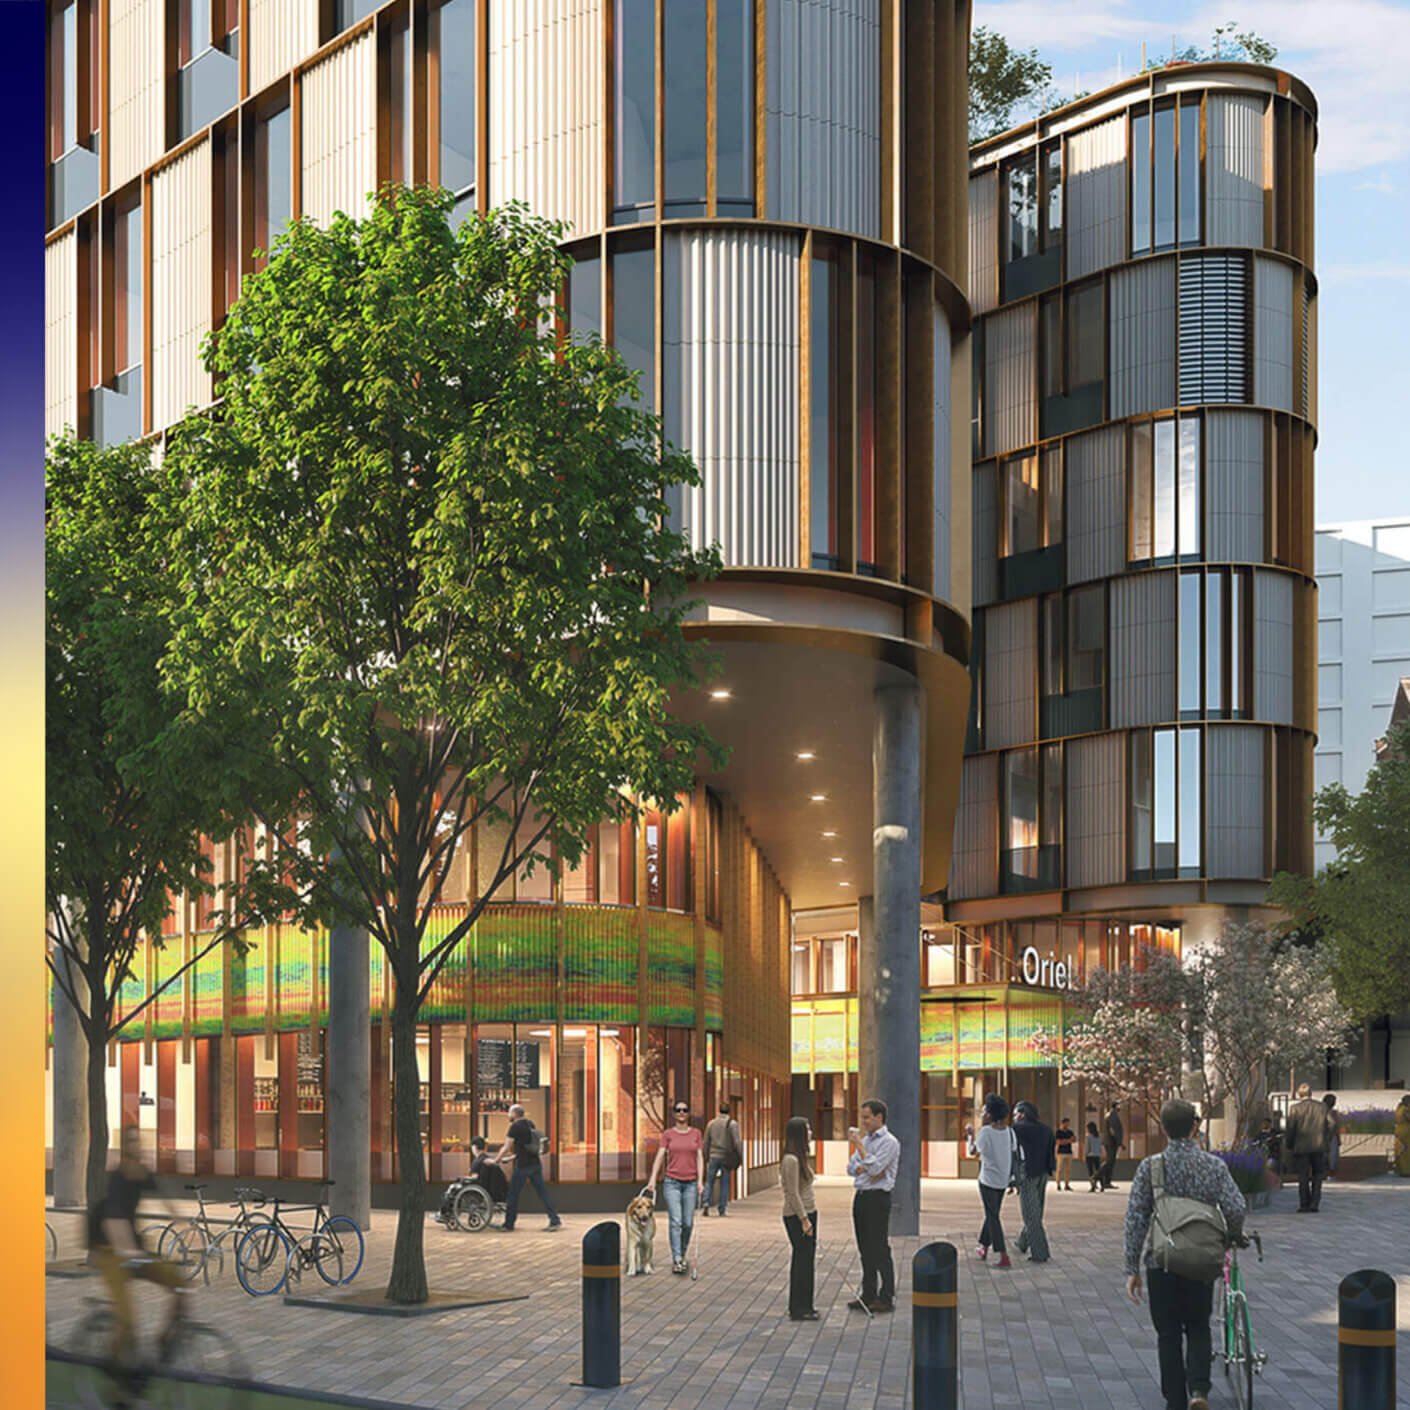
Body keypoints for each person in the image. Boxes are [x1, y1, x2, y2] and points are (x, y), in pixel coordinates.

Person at [1125, 1099, 1247, 1410]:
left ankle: (1175, 1401)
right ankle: (1199, 1391)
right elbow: (1235, 1206)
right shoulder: (1214, 1165)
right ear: (1195, 1126)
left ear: (1163, 1128)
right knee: (1198, 1325)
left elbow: (1136, 1218)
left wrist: (1132, 1267)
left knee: (1167, 1333)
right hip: (1202, 1260)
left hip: (1162, 1261)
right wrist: (1232, 1235)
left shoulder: (1150, 1167)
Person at [88, 1124, 185, 1372]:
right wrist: (127, 1251)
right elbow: (114, 1220)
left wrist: (185, 1224)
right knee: (128, 1319)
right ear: (125, 1148)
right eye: (131, 1142)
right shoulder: (118, 1178)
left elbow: (165, 1198)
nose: (137, 1147)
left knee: (181, 1285)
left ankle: (164, 1340)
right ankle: (111, 1365)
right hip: (111, 1251)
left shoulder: (142, 1173)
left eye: (138, 1141)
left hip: (135, 1250)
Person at [846, 1097, 900, 1312]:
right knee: (864, 1247)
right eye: (863, 1118)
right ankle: (868, 1293)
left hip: (878, 1198)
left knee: (879, 1247)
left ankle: (886, 1295)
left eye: (867, 1118)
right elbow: (852, 1168)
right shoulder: (867, 1141)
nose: (864, 1122)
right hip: (861, 1196)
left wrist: (861, 1149)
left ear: (879, 1117)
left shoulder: (889, 1142)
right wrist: (865, 1164)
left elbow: (877, 1171)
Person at [647, 1099, 704, 1274]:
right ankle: (677, 1258)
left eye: (684, 1110)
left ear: (688, 1114)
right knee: (676, 1221)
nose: (681, 1113)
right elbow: (659, 1156)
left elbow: (700, 1158)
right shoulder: (668, 1134)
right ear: (673, 1114)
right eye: (678, 1110)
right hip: (672, 1182)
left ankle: (683, 1252)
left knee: (687, 1223)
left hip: (691, 1183)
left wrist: (701, 1181)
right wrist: (652, 1179)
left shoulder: (696, 1134)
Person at [495, 1102, 563, 1232]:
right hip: (535, 1164)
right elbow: (526, 1147)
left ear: (514, 1114)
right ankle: (555, 1219)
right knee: (543, 1193)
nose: (508, 1115)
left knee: (512, 1195)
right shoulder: (530, 1124)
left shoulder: (514, 1127)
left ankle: (508, 1224)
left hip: (523, 1166)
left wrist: (496, 1160)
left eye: (509, 1112)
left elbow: (507, 1146)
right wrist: (510, 1158)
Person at [965, 1094, 1014, 1269]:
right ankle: (983, 1247)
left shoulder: (986, 1132)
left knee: (993, 1216)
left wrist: (970, 1135)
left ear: (990, 1114)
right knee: (992, 1213)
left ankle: (1003, 1255)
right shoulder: (1010, 1131)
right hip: (1003, 1180)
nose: (982, 1113)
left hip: (987, 1180)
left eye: (984, 1110)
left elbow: (972, 1152)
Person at [779, 1116, 818, 1321]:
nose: (811, 1132)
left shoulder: (800, 1157)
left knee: (807, 1260)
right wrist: (804, 1219)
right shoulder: (791, 1160)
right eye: (807, 1129)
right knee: (802, 1261)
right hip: (797, 1215)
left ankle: (806, 1304)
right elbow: (792, 1194)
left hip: (809, 1212)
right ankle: (799, 1307)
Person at [1012, 1101, 1056, 1263]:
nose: (1015, 1117)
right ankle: (1022, 1242)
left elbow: (1013, 1153)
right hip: (1043, 1173)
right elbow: (1051, 1152)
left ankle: (1040, 1252)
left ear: (1022, 1114)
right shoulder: (1046, 1130)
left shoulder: (1017, 1129)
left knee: (1031, 1215)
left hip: (1027, 1174)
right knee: (1036, 1211)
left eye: (1016, 1114)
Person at [1285, 1082, 1334, 1213]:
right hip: (1319, 1146)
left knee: (1303, 1176)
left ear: (1299, 1094)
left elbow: (1291, 1128)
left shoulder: (1295, 1108)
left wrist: (1289, 1144)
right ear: (1311, 1094)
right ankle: (1314, 1203)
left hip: (1301, 1147)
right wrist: (1326, 1138)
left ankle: (1304, 1204)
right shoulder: (1322, 1107)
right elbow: (1332, 1123)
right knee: (1318, 1175)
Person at [701, 1102, 741, 1217]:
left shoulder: (711, 1123)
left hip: (713, 1156)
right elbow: (737, 1141)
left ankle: (706, 1202)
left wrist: (705, 1155)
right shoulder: (732, 1124)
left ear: (719, 1110)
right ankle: (721, 1208)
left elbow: (706, 1141)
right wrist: (739, 1155)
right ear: (729, 1111)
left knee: (709, 1181)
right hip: (726, 1157)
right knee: (725, 1183)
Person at [471, 1136, 509, 1205]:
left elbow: (474, 1178)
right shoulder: (486, 1160)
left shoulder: (477, 1162)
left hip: (481, 1188)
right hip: (494, 1190)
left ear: (474, 1147)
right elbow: (496, 1161)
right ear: (485, 1147)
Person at [1100, 1101, 1125, 1190]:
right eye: (1119, 1105)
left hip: (1109, 1141)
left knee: (1111, 1162)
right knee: (1110, 1161)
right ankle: (1097, 1175)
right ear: (1116, 1106)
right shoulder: (1112, 1115)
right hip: (1111, 1142)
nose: (1120, 1107)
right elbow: (1113, 1130)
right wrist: (1119, 1142)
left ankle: (1107, 1181)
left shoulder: (1109, 1114)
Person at [1055, 1116, 1076, 1191]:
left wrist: (1066, 1141)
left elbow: (1074, 1140)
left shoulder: (1070, 1132)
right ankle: (1058, 1184)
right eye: (1066, 1123)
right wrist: (1068, 1141)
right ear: (1063, 1123)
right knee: (1059, 1169)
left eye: (1068, 1123)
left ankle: (1067, 1184)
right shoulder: (1058, 1132)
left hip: (1069, 1152)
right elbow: (1058, 1142)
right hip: (1061, 1152)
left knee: (1068, 1170)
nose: (1067, 1125)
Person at [1323, 1093, 1341, 1180]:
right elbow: (1335, 1125)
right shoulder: (1331, 1113)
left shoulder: (1321, 1110)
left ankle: (1328, 1173)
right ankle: (1330, 1174)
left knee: (1327, 1156)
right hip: (1330, 1137)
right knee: (1332, 1157)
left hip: (1323, 1136)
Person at [1085, 1121, 1104, 1191]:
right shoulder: (1099, 1136)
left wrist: (1085, 1155)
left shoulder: (1088, 1137)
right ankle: (1102, 1186)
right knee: (1098, 1171)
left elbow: (1087, 1147)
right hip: (1097, 1155)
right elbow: (1100, 1146)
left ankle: (1093, 1186)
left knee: (1091, 1172)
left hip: (1090, 1156)